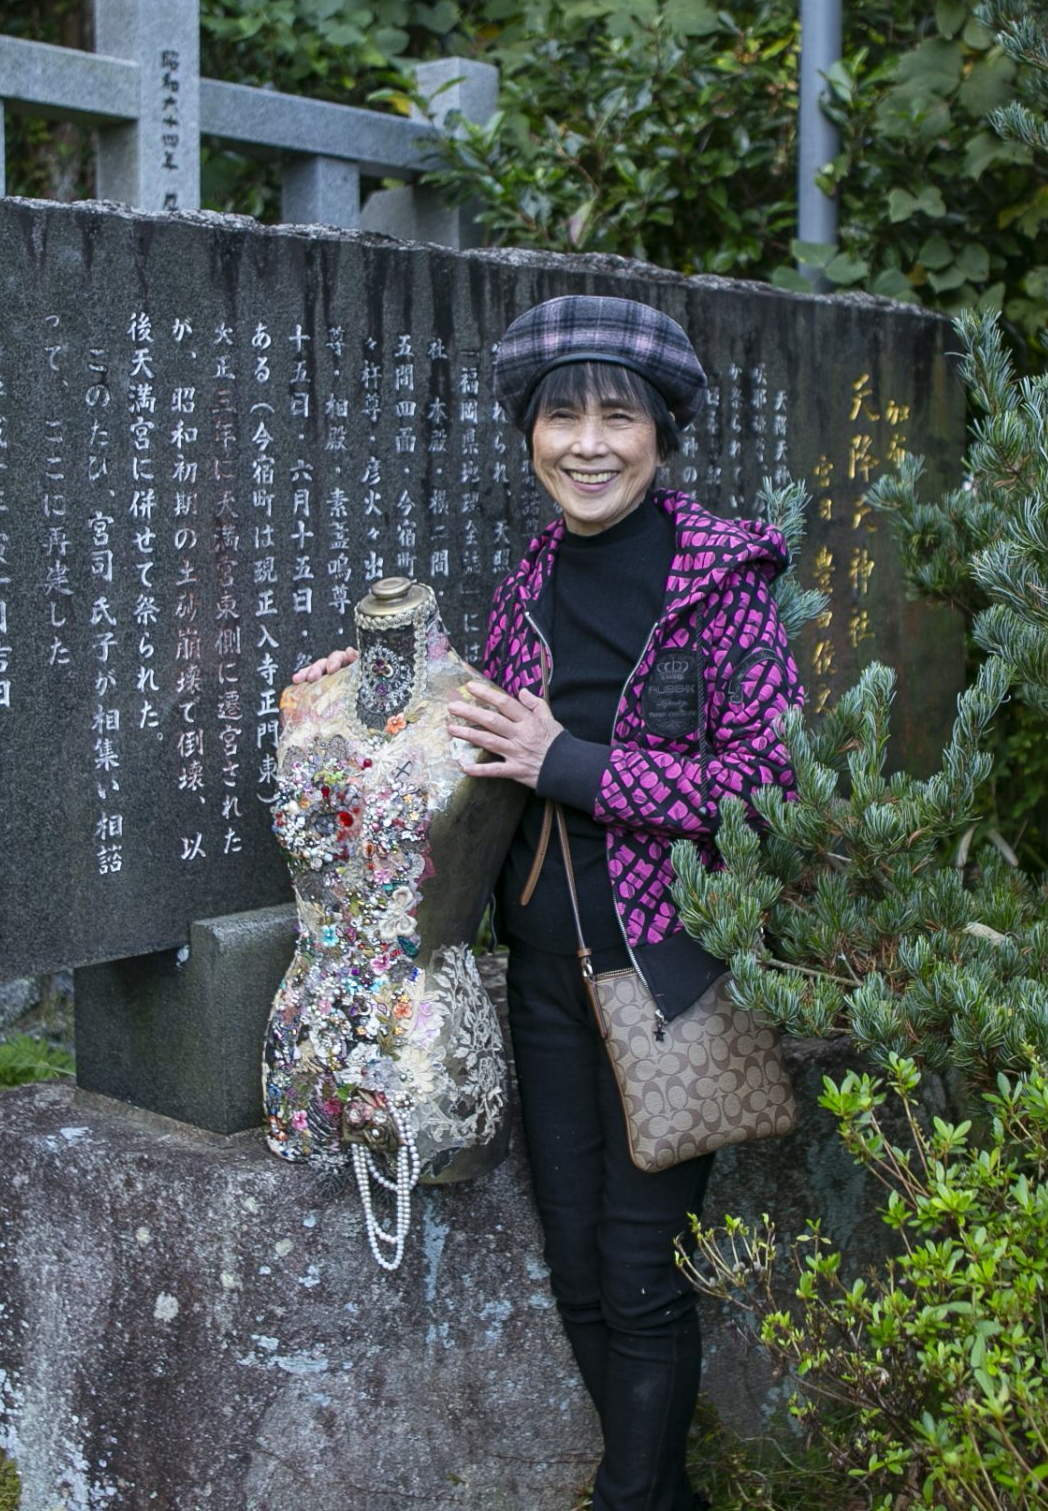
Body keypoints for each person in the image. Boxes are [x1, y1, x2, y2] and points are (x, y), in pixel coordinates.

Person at [290, 294, 804, 1510]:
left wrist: (570, 763)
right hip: (541, 975)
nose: (587, 443)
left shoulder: (721, 584)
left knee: (639, 1271)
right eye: (560, 417)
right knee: (574, 1264)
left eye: (616, 416)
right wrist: (362, 695)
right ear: (530, 436)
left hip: (671, 973)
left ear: (660, 435)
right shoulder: (530, 577)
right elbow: (473, 740)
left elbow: (771, 785)